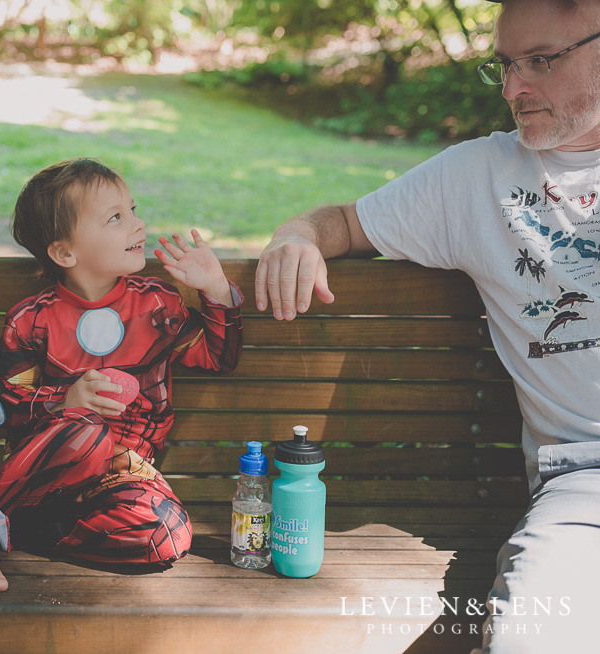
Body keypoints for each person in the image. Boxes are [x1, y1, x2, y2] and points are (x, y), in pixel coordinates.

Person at [255, 0, 600, 651]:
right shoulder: (477, 178)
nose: (514, 88)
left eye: (541, 61)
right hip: (586, 490)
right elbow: (344, 224)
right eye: (505, 64)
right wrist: (296, 234)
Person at [0, 158, 244, 594]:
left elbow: (217, 358)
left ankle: (12, 527)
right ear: (64, 252)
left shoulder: (159, 306)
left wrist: (215, 290)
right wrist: (63, 402)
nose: (137, 224)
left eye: (133, 210)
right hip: (46, 474)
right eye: (116, 218)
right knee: (87, 430)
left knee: (166, 535)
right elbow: (5, 410)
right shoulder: (31, 320)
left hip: (124, 475)